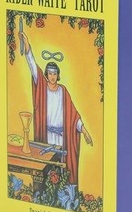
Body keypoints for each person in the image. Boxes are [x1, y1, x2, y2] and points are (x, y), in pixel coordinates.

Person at [19, 31, 92, 187]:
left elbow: (73, 116)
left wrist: (85, 132)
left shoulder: (63, 91)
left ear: (58, 75)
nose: (52, 76)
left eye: (55, 73)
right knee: (47, 168)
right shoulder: (42, 87)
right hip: (46, 138)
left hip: (61, 138)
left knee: (61, 168)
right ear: (46, 74)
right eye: (50, 73)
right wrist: (27, 47)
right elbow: (33, 67)